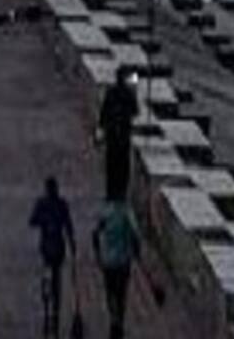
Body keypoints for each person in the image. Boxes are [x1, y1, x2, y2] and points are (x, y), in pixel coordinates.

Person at [27, 177, 76, 338]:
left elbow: (32, 221)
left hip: (49, 248)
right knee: (55, 280)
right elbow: (68, 226)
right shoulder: (60, 204)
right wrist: (72, 244)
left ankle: (50, 309)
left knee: (50, 279)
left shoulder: (44, 204)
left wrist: (43, 222)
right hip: (54, 248)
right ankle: (53, 309)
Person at [92, 198, 141, 339]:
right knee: (121, 294)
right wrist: (137, 252)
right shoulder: (127, 213)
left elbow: (95, 233)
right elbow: (135, 236)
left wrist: (97, 254)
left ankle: (114, 318)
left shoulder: (106, 212)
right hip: (123, 261)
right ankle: (118, 320)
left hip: (108, 261)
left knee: (110, 292)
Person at [97, 67, 138, 201]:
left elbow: (103, 113)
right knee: (123, 165)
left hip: (112, 135)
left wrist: (101, 129)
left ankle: (111, 192)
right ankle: (121, 193)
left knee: (111, 164)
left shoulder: (111, 92)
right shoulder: (128, 94)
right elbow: (135, 111)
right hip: (124, 135)